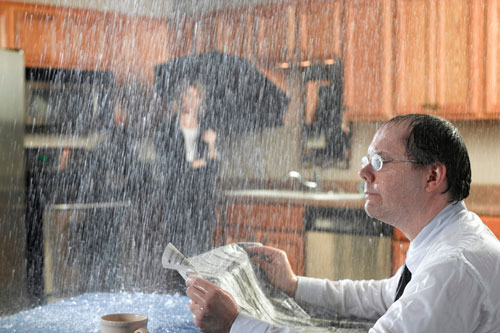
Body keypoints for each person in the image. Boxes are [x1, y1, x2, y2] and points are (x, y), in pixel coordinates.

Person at [185, 113, 500, 332]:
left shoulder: (453, 266)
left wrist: (236, 324)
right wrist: (294, 285)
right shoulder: (447, 237)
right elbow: (383, 297)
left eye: (380, 161)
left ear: (433, 175)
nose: (364, 173)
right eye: (367, 161)